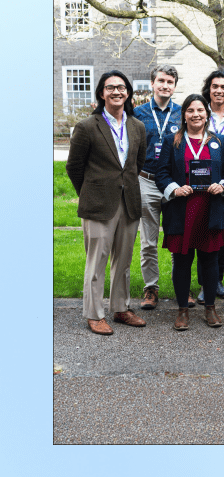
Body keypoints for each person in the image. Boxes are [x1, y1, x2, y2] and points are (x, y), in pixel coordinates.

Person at [66, 70, 148, 335]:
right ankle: (94, 313)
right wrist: (90, 191)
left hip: (129, 201)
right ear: (101, 93)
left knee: (123, 260)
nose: (116, 91)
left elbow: (137, 163)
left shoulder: (137, 126)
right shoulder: (87, 126)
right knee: (97, 261)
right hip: (98, 204)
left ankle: (121, 308)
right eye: (110, 87)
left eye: (121, 87)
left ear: (128, 93)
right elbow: (74, 166)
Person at [155, 94, 224, 330]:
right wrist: (174, 189)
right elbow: (162, 173)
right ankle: (182, 310)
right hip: (182, 210)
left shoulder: (218, 141)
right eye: (190, 110)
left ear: (207, 115)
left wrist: (223, 186)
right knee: (182, 261)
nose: (196, 115)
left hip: (210, 209)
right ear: (184, 115)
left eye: (200, 110)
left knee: (210, 260)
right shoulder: (172, 141)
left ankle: (210, 308)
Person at [132, 65, 181, 310]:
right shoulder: (137, 113)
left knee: (177, 238)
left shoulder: (182, 113)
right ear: (152, 83)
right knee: (148, 241)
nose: (165, 85)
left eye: (170, 82)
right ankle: (151, 288)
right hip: (147, 181)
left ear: (174, 86)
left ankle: (181, 286)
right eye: (161, 81)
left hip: (173, 183)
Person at [197, 70, 224, 304]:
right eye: (215, 86)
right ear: (209, 89)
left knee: (223, 233)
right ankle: (204, 283)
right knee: (203, 233)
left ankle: (217, 279)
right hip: (201, 183)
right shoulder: (199, 113)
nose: (219, 91)